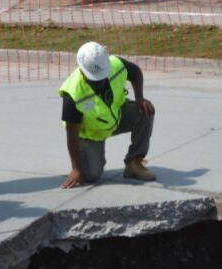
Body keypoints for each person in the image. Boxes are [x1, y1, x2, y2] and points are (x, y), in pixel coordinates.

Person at [59, 42, 157, 188]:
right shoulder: (73, 94)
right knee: (91, 176)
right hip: (91, 133)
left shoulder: (115, 65)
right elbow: (71, 135)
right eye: (94, 78)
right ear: (82, 69)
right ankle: (90, 158)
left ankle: (134, 163)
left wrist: (140, 98)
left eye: (101, 77)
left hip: (117, 116)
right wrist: (76, 169)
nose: (99, 82)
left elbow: (135, 72)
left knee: (145, 111)